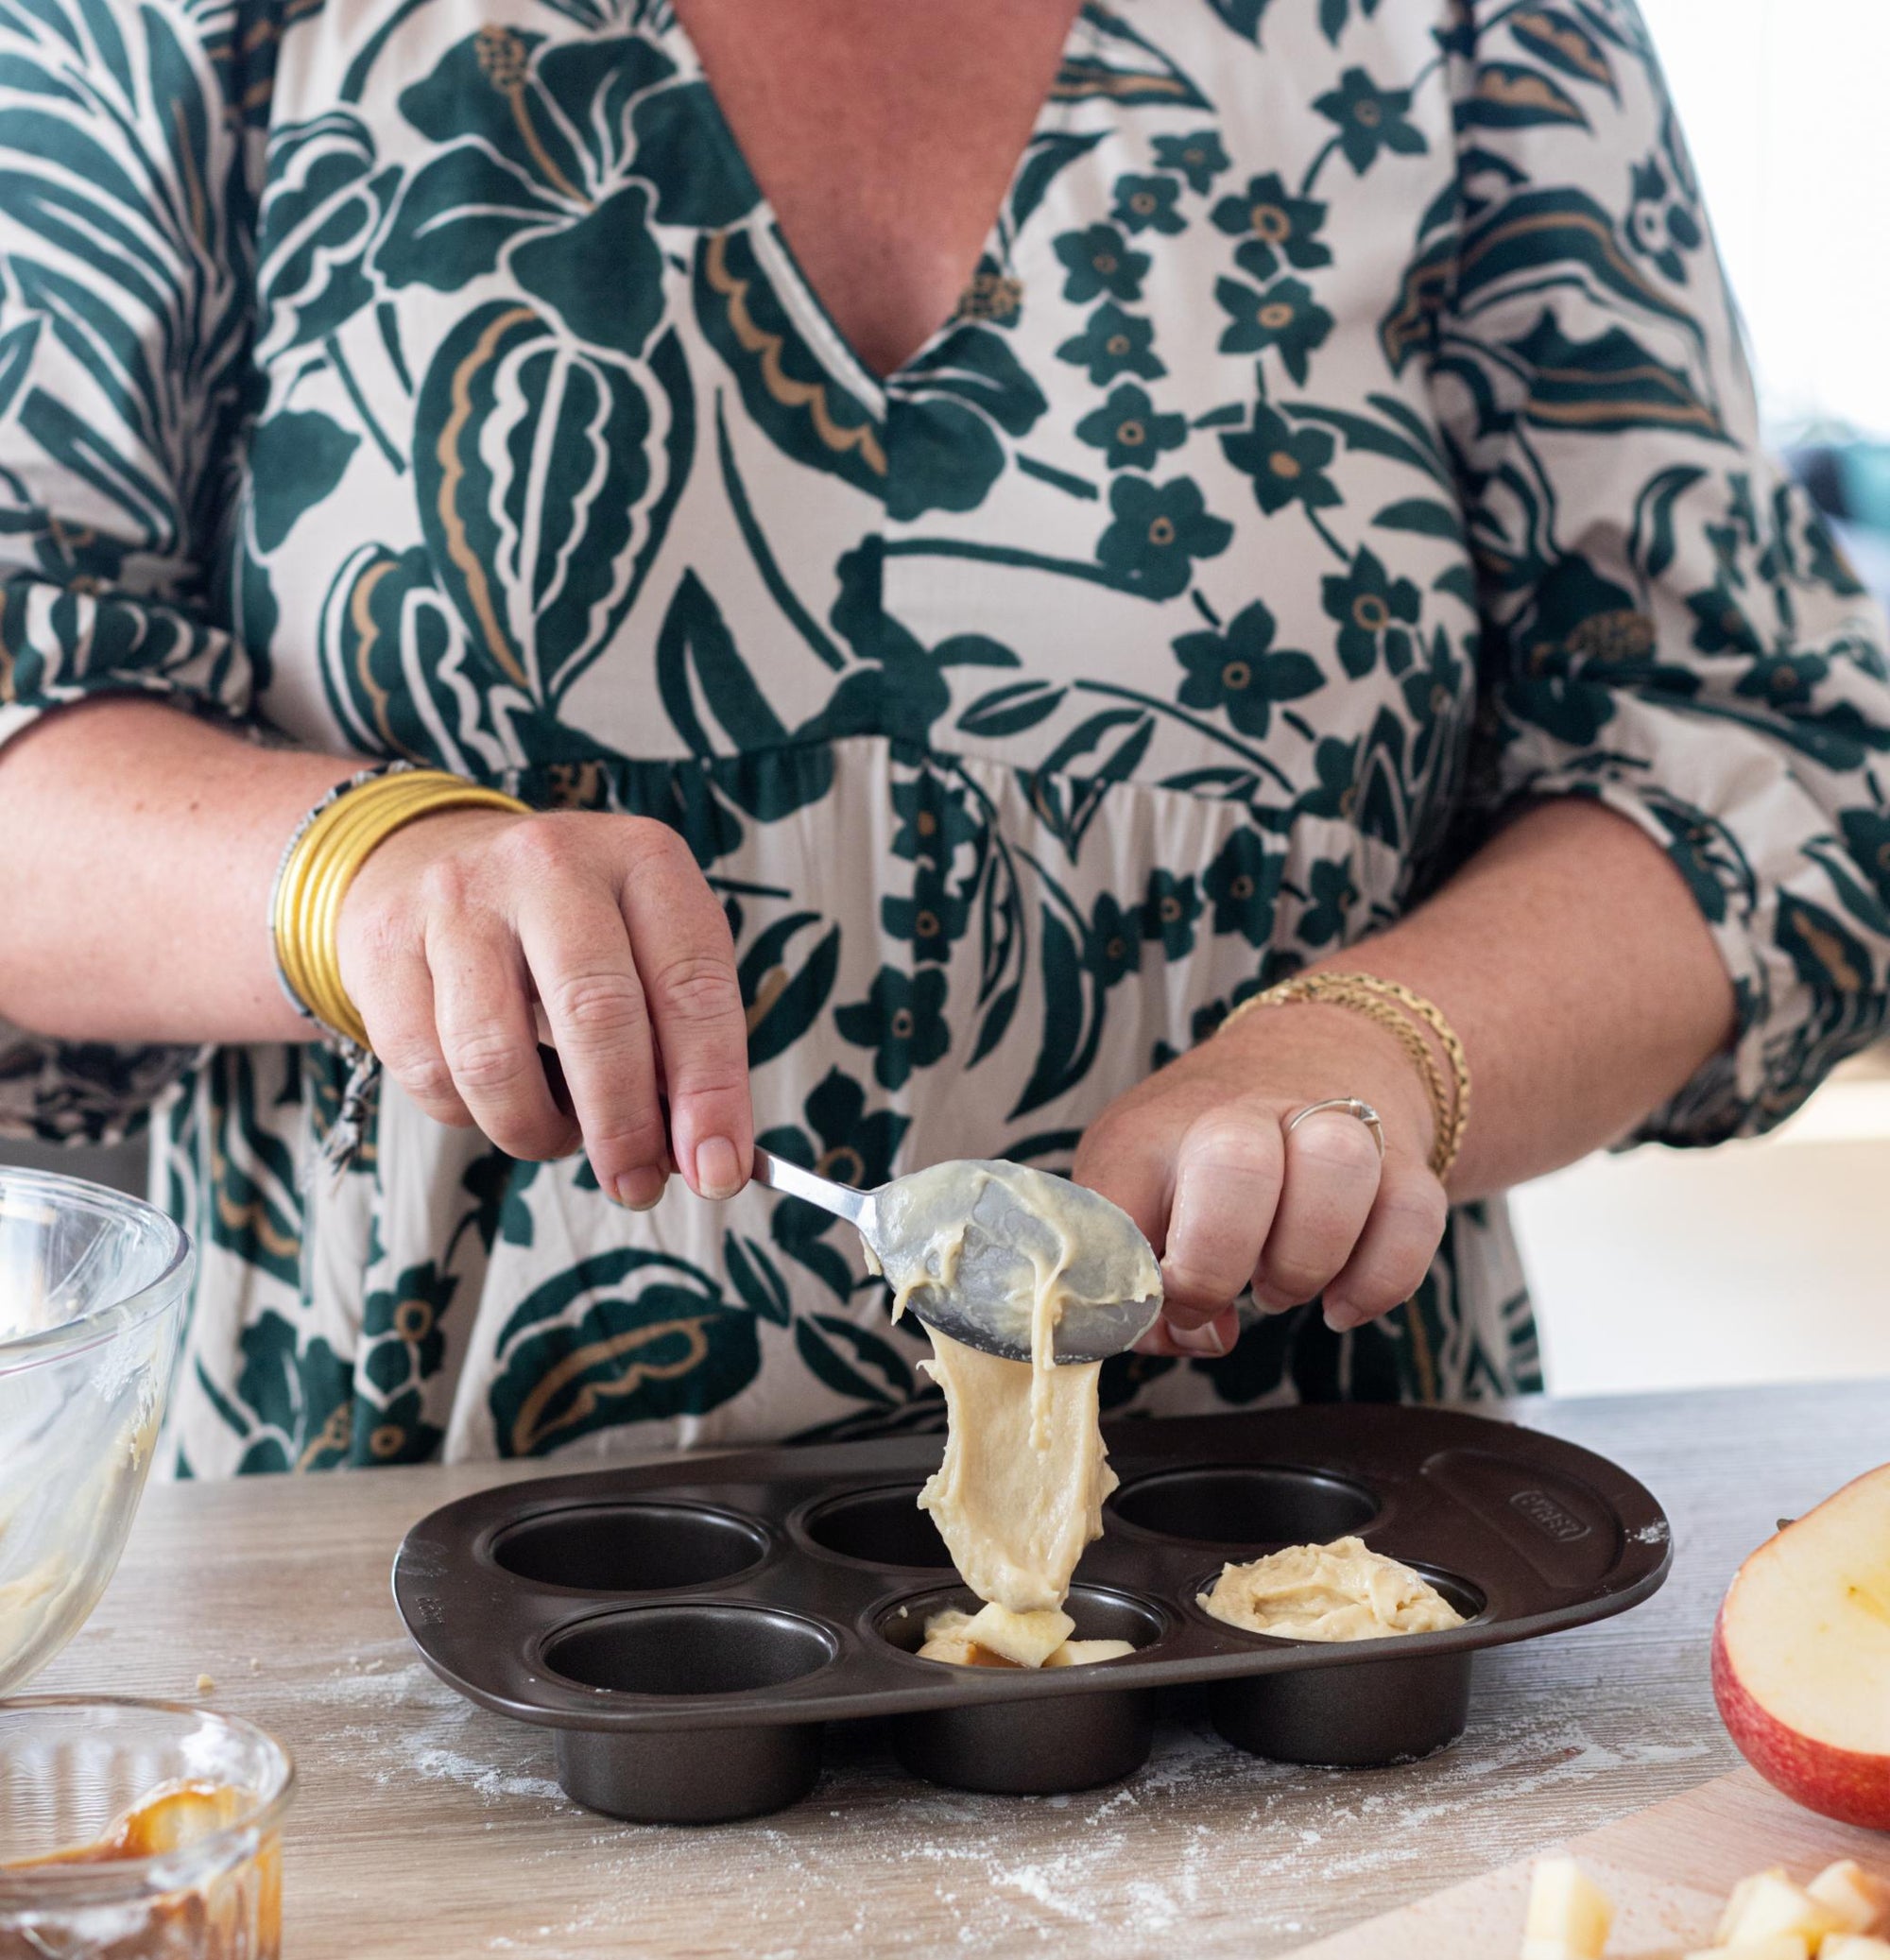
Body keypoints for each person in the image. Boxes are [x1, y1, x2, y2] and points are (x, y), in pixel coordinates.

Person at [0, 0, 1884, 1475]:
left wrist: (1377, 1045)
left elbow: (1764, 760)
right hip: (404, 1548)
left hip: (1303, 1566)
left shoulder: (1466, 25)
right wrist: (357, 870)